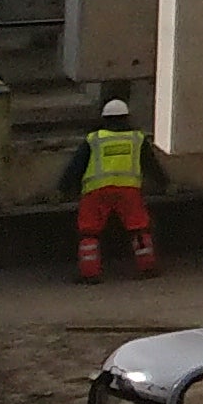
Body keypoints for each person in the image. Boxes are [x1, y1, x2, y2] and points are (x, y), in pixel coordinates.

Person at [69, 94, 156, 283]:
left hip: (96, 191)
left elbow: (77, 166)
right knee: (138, 228)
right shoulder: (137, 138)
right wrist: (164, 183)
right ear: (127, 117)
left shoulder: (94, 139)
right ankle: (147, 267)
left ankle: (89, 273)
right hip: (128, 190)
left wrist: (65, 188)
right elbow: (151, 164)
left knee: (89, 233)